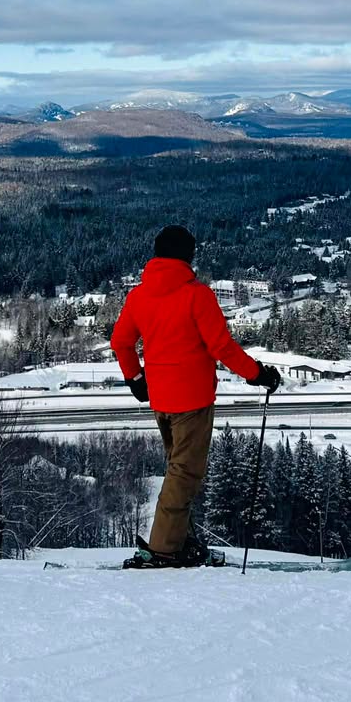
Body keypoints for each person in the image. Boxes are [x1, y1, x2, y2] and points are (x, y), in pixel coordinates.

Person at [110, 225, 281, 568]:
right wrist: (258, 374)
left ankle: (177, 540)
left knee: (178, 470)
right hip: (193, 401)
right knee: (184, 474)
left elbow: (121, 342)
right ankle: (162, 549)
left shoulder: (139, 296)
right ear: (188, 255)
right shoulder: (197, 295)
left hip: (161, 401)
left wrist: (136, 379)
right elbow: (221, 348)